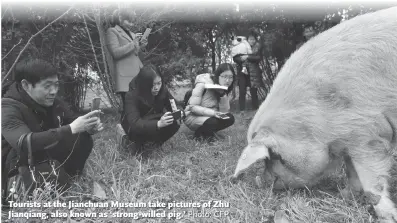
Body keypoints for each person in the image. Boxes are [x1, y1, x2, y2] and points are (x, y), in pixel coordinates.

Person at [1, 59, 103, 198]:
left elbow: (70, 122)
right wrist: (71, 128)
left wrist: (86, 127)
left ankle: (70, 178)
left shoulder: (51, 100)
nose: (53, 91)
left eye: (56, 85)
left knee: (82, 138)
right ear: (26, 85)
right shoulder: (7, 107)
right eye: (47, 86)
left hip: (43, 155)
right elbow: (24, 143)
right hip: (16, 163)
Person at [121, 64, 182, 151]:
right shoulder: (131, 95)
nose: (156, 88)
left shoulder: (162, 90)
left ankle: (155, 144)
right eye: (152, 85)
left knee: (174, 121)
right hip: (134, 127)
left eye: (159, 83)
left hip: (154, 119)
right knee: (137, 131)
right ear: (144, 84)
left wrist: (180, 112)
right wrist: (158, 124)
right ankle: (138, 144)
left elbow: (175, 104)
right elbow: (134, 124)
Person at [106, 9, 147, 109]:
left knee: (139, 108)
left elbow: (136, 55)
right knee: (129, 109)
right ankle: (126, 125)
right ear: (120, 19)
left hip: (138, 75)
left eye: (132, 22)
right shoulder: (112, 31)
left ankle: (134, 124)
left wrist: (142, 46)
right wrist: (133, 43)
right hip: (125, 78)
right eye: (129, 21)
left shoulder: (133, 35)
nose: (131, 24)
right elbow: (115, 53)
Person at [184, 63, 236, 141]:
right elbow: (192, 107)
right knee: (212, 122)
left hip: (210, 116)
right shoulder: (202, 84)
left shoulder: (223, 87)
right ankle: (198, 135)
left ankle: (208, 133)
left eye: (231, 77)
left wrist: (222, 95)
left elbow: (224, 111)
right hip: (192, 116)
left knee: (230, 118)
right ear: (218, 75)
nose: (228, 80)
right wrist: (213, 113)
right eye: (224, 76)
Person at [233, 30, 265, 112]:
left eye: (253, 39)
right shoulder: (241, 46)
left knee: (254, 91)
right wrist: (241, 59)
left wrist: (247, 57)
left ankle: (255, 108)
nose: (252, 41)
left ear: (255, 40)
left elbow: (258, 58)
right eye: (250, 39)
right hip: (242, 72)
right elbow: (235, 58)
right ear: (247, 40)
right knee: (242, 91)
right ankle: (242, 110)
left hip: (253, 72)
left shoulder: (257, 47)